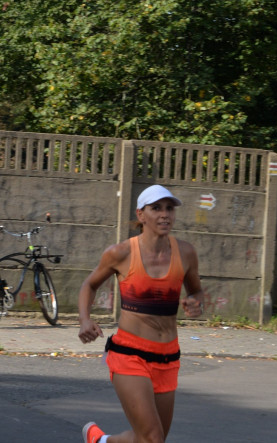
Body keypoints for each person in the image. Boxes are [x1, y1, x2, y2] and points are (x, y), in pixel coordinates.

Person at [77, 184, 204, 443]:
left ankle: (102, 441)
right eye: (156, 208)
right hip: (129, 354)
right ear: (141, 215)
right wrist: (84, 320)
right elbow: (89, 285)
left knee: (149, 439)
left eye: (169, 208)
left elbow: (197, 291)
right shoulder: (121, 253)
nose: (164, 214)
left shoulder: (187, 253)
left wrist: (195, 301)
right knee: (153, 437)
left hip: (168, 356)